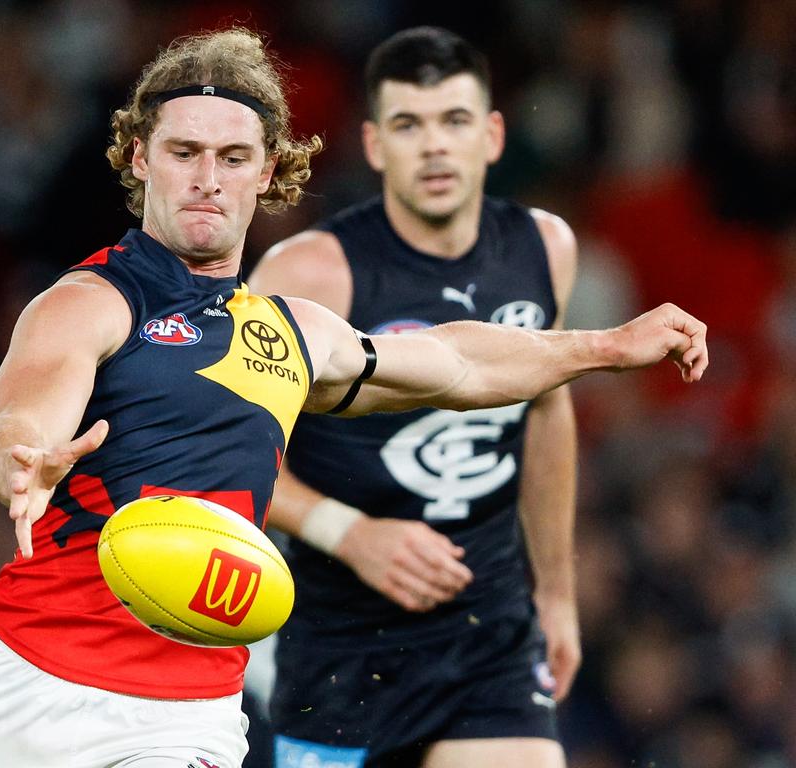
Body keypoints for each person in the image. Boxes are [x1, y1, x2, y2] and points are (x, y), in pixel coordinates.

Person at [0, 25, 708, 768]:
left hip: (183, 715)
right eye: (183, 151)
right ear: (136, 157)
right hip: (23, 684)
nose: (206, 179)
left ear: (267, 172)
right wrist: (20, 457)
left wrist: (604, 347)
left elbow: (457, 364)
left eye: (233, 157)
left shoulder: (295, 334)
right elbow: (20, 414)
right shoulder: (88, 302)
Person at [247, 27, 584, 768]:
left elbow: (548, 411)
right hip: (340, 637)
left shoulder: (545, 248)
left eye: (454, 121)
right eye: (409, 125)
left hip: (488, 630)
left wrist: (556, 593)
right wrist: (349, 533)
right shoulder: (307, 273)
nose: (434, 147)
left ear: (492, 135)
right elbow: (226, 448)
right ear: (373, 144)